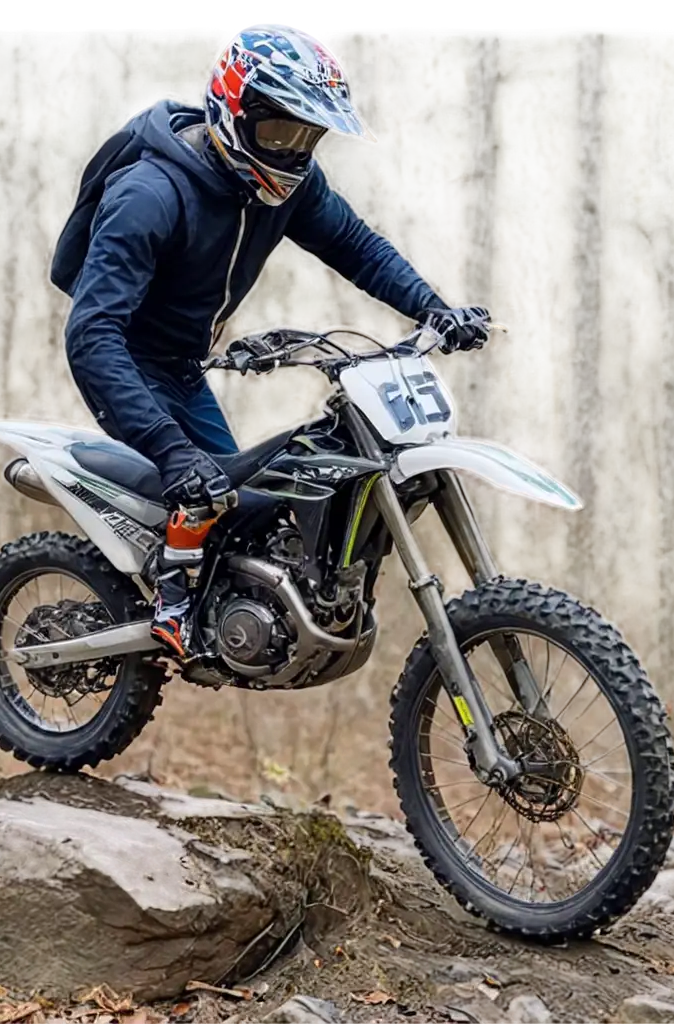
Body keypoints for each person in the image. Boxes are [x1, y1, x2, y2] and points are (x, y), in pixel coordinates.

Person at [63, 27, 491, 661]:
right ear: (234, 112)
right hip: (124, 361)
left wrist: (434, 308)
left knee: (248, 512)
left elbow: (358, 247)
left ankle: (241, 617)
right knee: (201, 486)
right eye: (279, 133)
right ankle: (172, 608)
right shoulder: (149, 195)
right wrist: (169, 450)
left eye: (307, 136)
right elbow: (91, 334)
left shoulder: (291, 187)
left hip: (182, 366)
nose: (292, 151)